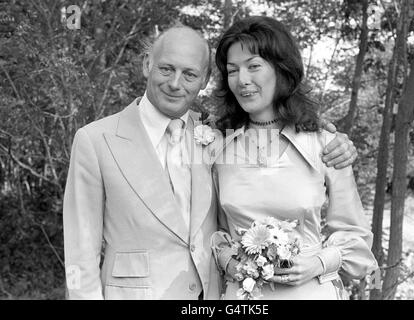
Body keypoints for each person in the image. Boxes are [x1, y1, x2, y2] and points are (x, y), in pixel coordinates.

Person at [63, 24, 357, 300]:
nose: (175, 84)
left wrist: (334, 139)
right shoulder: (95, 140)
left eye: (190, 74)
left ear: (204, 81)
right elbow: (80, 251)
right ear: (146, 65)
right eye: (166, 69)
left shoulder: (215, 136)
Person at [210, 16, 378, 300]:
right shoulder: (217, 145)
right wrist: (231, 262)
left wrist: (318, 263)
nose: (242, 81)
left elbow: (356, 238)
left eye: (253, 66)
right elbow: (212, 233)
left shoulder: (326, 144)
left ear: (281, 69)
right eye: (232, 70)